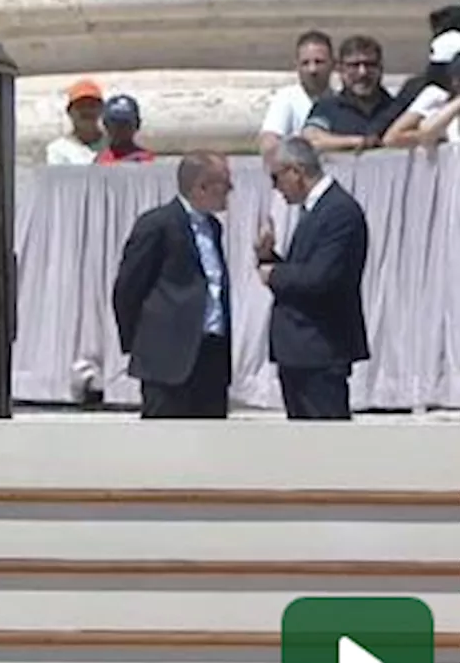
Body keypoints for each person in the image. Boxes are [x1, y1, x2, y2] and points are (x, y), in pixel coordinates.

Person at [112, 151, 234, 418]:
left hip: (210, 353)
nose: (230, 191)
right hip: (167, 358)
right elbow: (128, 289)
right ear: (201, 187)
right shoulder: (157, 224)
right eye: (224, 185)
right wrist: (141, 343)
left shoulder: (213, 227)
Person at [258, 137, 369, 420]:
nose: (276, 187)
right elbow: (304, 272)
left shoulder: (339, 211)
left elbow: (321, 277)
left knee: (329, 447)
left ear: (295, 171)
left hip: (320, 348)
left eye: (276, 177)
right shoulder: (314, 210)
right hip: (299, 350)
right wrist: (267, 256)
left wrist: (274, 274)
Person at [302, 35, 393, 152]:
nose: (362, 73)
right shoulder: (327, 108)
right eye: (354, 65)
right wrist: (359, 142)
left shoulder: (396, 108)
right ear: (340, 69)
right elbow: (311, 139)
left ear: (380, 68)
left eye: (370, 65)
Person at [259, 30, 335, 153]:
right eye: (305, 63)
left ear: (333, 64)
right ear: (297, 66)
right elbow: (268, 142)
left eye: (319, 62)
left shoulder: (340, 101)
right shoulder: (286, 99)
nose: (312, 70)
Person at [44, 79, 105, 165]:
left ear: (102, 109)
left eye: (92, 106)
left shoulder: (113, 145)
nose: (87, 111)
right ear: (69, 112)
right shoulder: (58, 150)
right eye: (81, 106)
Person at [94, 94, 155, 164]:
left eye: (126, 124)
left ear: (137, 125)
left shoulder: (144, 159)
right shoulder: (100, 159)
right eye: (115, 123)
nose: (120, 129)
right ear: (105, 124)